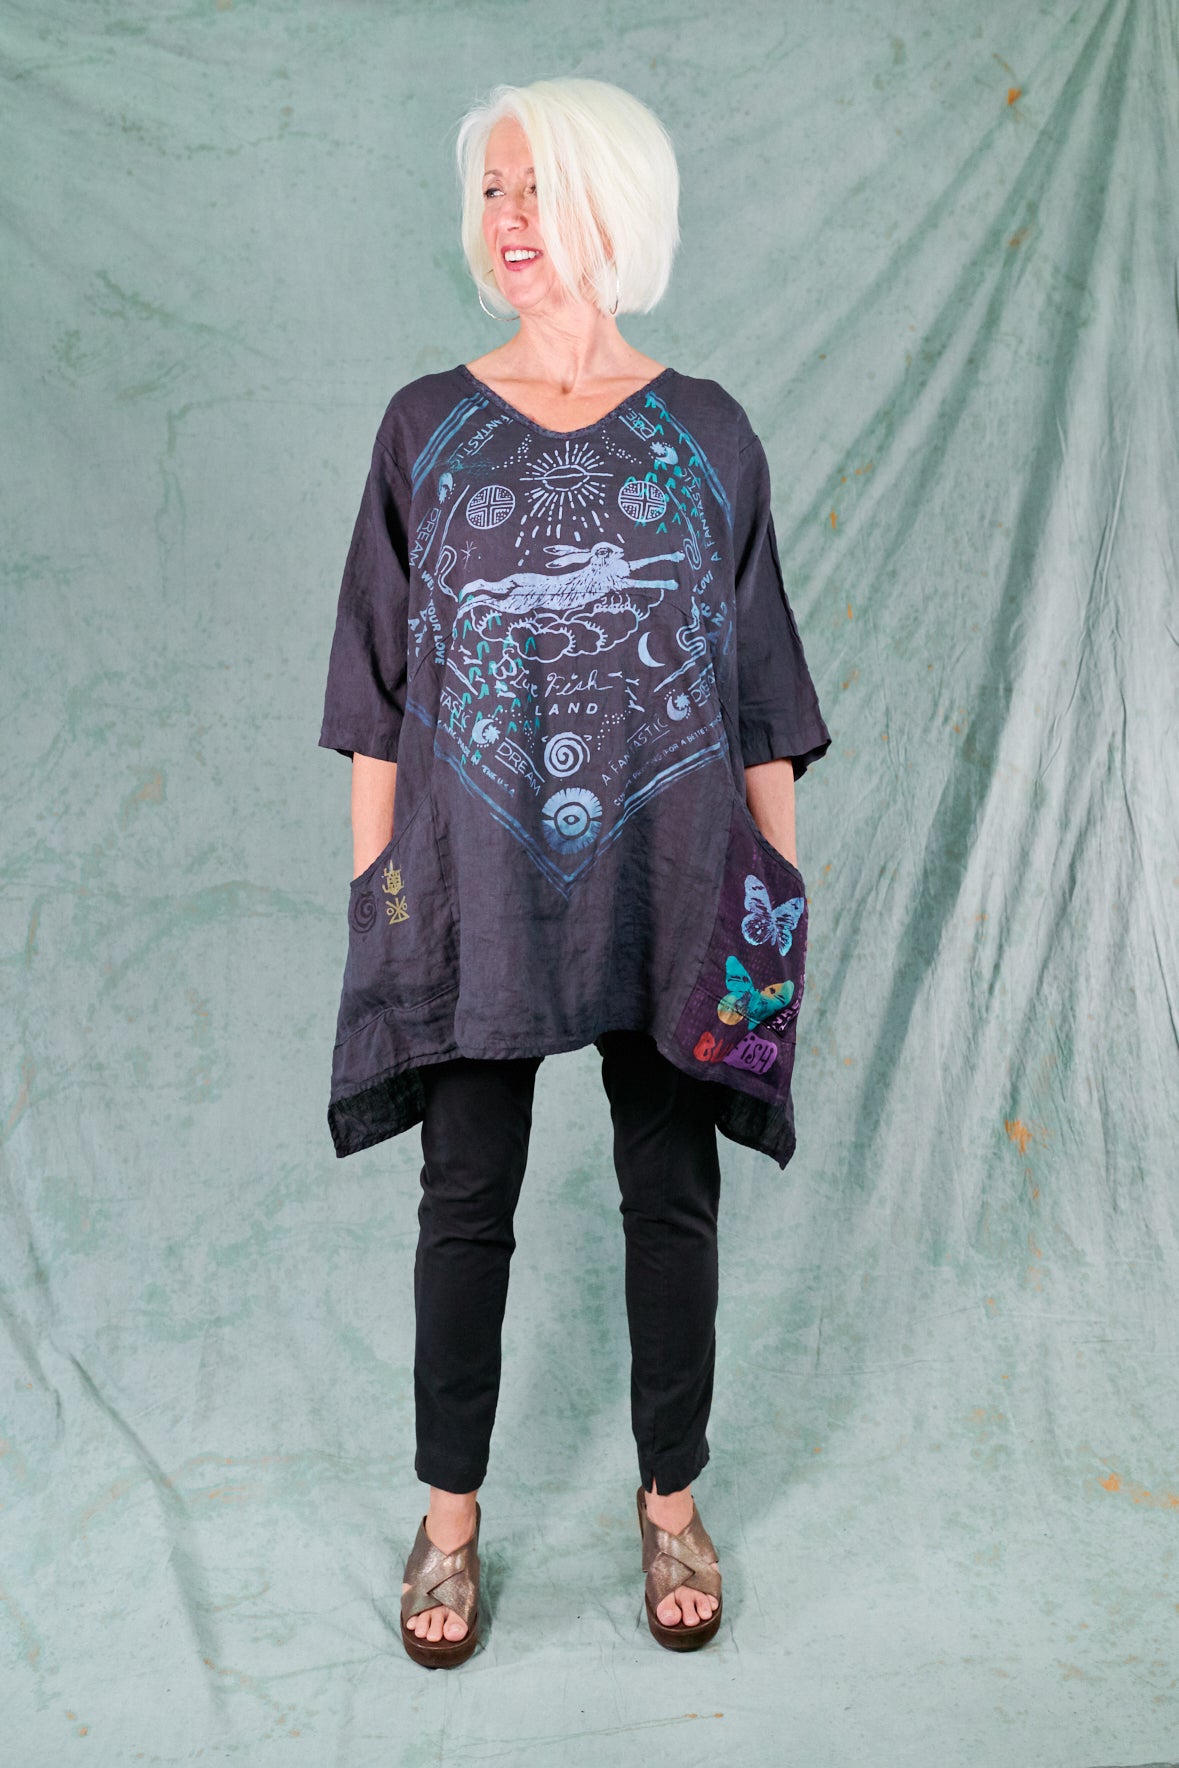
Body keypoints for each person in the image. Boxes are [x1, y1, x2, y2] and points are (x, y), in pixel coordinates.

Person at [317, 76, 831, 1667]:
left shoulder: (711, 434)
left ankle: (671, 1500)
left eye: (538, 186)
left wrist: (773, 903)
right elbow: (375, 696)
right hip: (469, 888)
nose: (510, 219)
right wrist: (384, 899)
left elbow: (758, 695)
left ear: (613, 204)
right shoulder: (423, 429)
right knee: (464, 1197)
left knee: (670, 1196)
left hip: (675, 884)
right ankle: (448, 1519)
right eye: (493, 191)